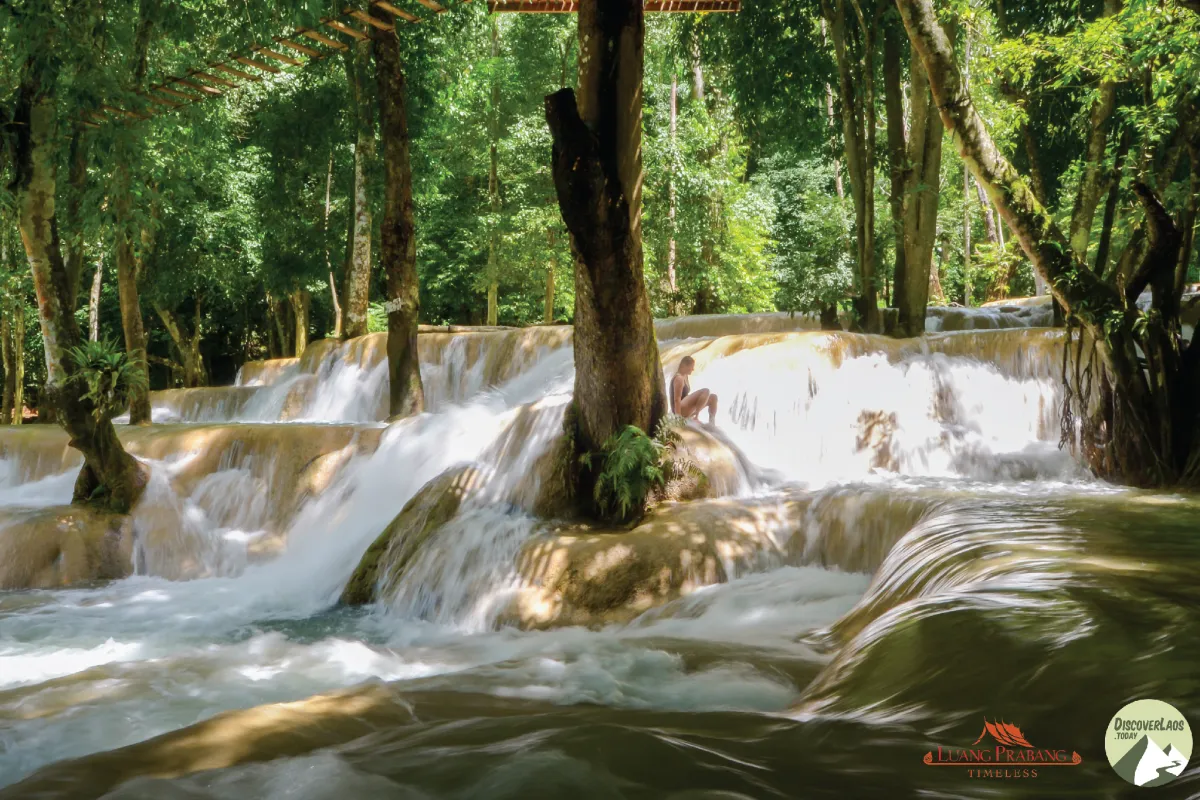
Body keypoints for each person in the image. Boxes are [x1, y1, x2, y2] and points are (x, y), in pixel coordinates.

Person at [670, 355, 718, 424]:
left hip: (685, 408)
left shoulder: (685, 376)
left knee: (713, 397)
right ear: (685, 366)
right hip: (679, 410)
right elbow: (676, 399)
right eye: (692, 366)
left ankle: (712, 424)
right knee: (706, 391)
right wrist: (678, 418)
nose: (693, 369)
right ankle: (696, 417)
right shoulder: (679, 378)